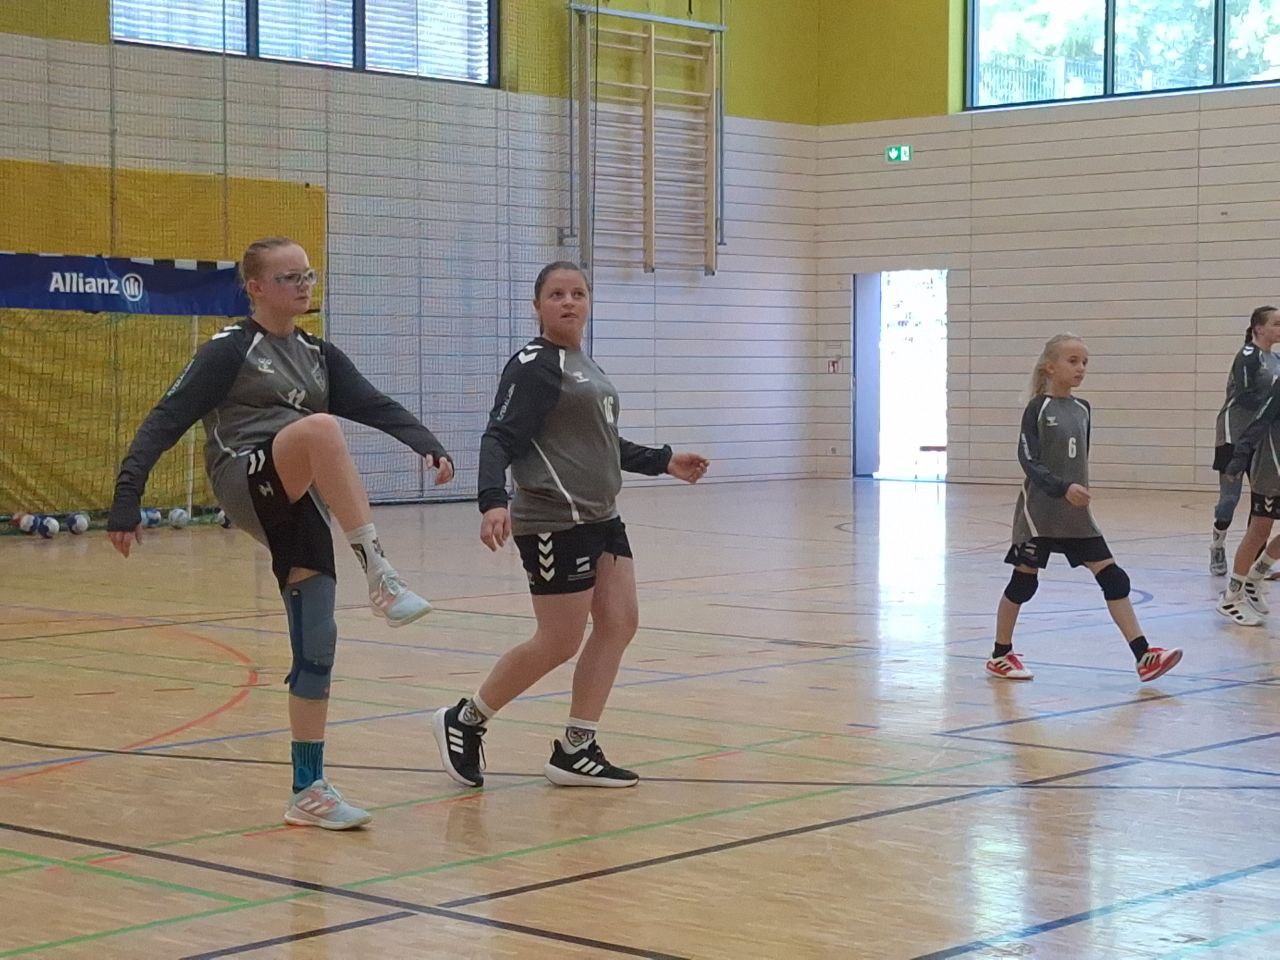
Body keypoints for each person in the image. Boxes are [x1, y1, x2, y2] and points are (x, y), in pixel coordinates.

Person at [107, 236, 453, 829]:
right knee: (322, 429)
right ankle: (380, 574)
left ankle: (307, 790)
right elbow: (166, 418)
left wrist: (426, 442)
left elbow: (373, 403)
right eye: (289, 277)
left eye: (307, 275)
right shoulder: (229, 349)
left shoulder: (318, 353)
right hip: (243, 477)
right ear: (256, 288)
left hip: (295, 494)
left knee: (317, 643)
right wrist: (126, 496)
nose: (303, 285)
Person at [433, 261, 710, 789]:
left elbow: (603, 443)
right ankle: (465, 719)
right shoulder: (534, 366)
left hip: (601, 517)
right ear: (537, 306)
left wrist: (664, 460)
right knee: (559, 640)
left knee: (619, 622)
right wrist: (493, 501)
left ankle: (576, 748)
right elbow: (498, 437)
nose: (568, 302)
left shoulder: (585, 366)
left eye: (578, 293)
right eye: (556, 294)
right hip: (553, 521)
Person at [986, 334, 1182, 684]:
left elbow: (1078, 460)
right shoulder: (1037, 408)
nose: (1080, 368)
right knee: (1023, 584)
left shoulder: (1083, 409)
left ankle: (1144, 656)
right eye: (1073, 361)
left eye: (1085, 363)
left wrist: (1075, 491)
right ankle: (1000, 655)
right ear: (1050, 367)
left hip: (1075, 515)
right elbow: (1027, 459)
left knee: (1114, 578)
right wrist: (1062, 487)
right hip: (1040, 514)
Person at [1209, 306, 1280, 575]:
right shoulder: (1248, 356)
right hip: (1234, 434)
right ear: (1259, 328)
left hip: (1262, 439)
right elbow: (1247, 395)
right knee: (1230, 498)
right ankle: (1218, 543)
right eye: (1276, 323)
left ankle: (1250, 565)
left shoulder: (1277, 359)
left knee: (1262, 505)